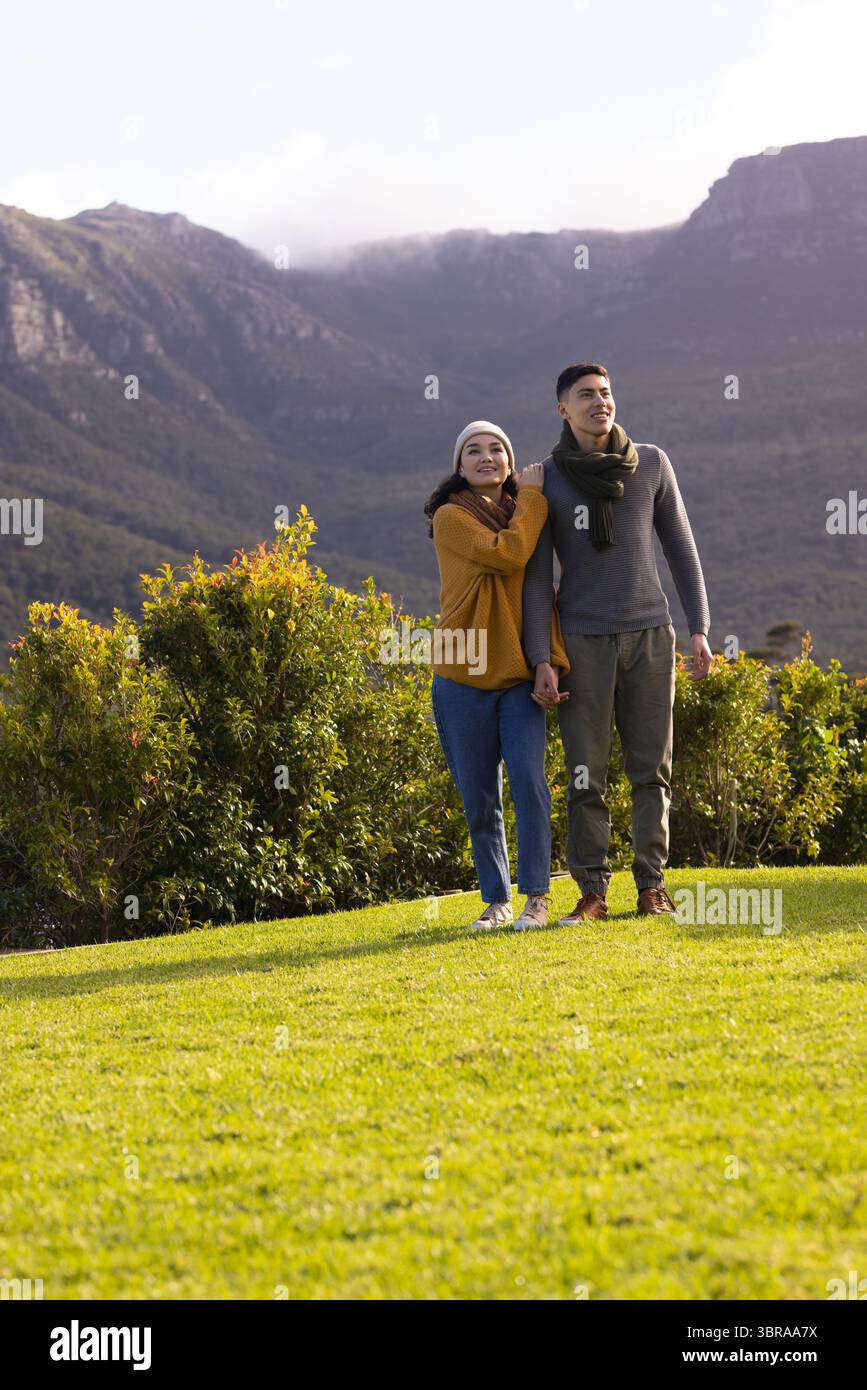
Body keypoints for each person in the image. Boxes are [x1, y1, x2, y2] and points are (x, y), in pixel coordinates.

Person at [522, 364, 712, 923]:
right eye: (586, 395)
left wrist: (699, 627)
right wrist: (541, 658)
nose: (599, 402)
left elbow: (681, 546)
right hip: (581, 641)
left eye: (605, 392)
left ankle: (652, 886)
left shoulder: (650, 463)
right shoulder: (546, 478)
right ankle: (592, 893)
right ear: (563, 409)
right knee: (586, 774)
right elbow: (537, 577)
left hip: (651, 634)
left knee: (653, 769)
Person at [425, 420, 569, 931]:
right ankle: (496, 900)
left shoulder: (523, 516)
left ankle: (537, 899)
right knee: (480, 797)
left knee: (530, 785)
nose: (486, 457)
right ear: (460, 466)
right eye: (473, 451)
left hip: (517, 675)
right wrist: (532, 496)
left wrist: (548, 660)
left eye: (496, 449)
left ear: (509, 462)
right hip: (461, 676)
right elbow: (506, 554)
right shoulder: (451, 517)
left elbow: (540, 595)